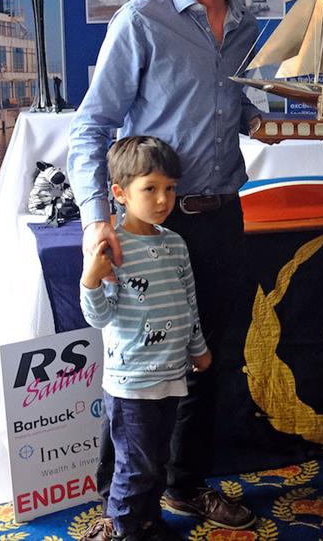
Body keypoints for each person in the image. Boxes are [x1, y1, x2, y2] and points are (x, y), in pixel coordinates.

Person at [69, 0, 263, 538]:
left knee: (207, 362)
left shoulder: (246, 26)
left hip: (219, 219)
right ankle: (115, 506)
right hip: (151, 226)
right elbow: (90, 126)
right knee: (137, 368)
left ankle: (185, 489)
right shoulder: (143, 19)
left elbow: (239, 114)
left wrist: (295, 124)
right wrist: (100, 218)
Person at [80, 136, 212, 541]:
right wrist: (91, 277)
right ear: (119, 193)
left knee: (158, 460)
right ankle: (122, 528)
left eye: (170, 188)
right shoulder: (113, 249)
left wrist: (198, 348)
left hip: (172, 375)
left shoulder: (175, 243)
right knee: (134, 467)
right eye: (150, 189)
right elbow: (99, 315)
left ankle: (149, 521)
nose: (163, 200)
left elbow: (187, 300)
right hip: (131, 383)